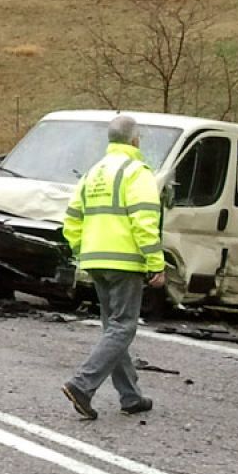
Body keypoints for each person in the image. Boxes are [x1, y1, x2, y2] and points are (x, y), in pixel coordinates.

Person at [59, 115, 163, 420]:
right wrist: (156, 262)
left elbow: (71, 220)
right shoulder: (137, 172)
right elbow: (145, 221)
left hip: (95, 258)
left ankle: (130, 396)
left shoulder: (93, 173)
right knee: (122, 327)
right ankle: (82, 385)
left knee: (113, 328)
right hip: (125, 261)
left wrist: (82, 250)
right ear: (135, 140)